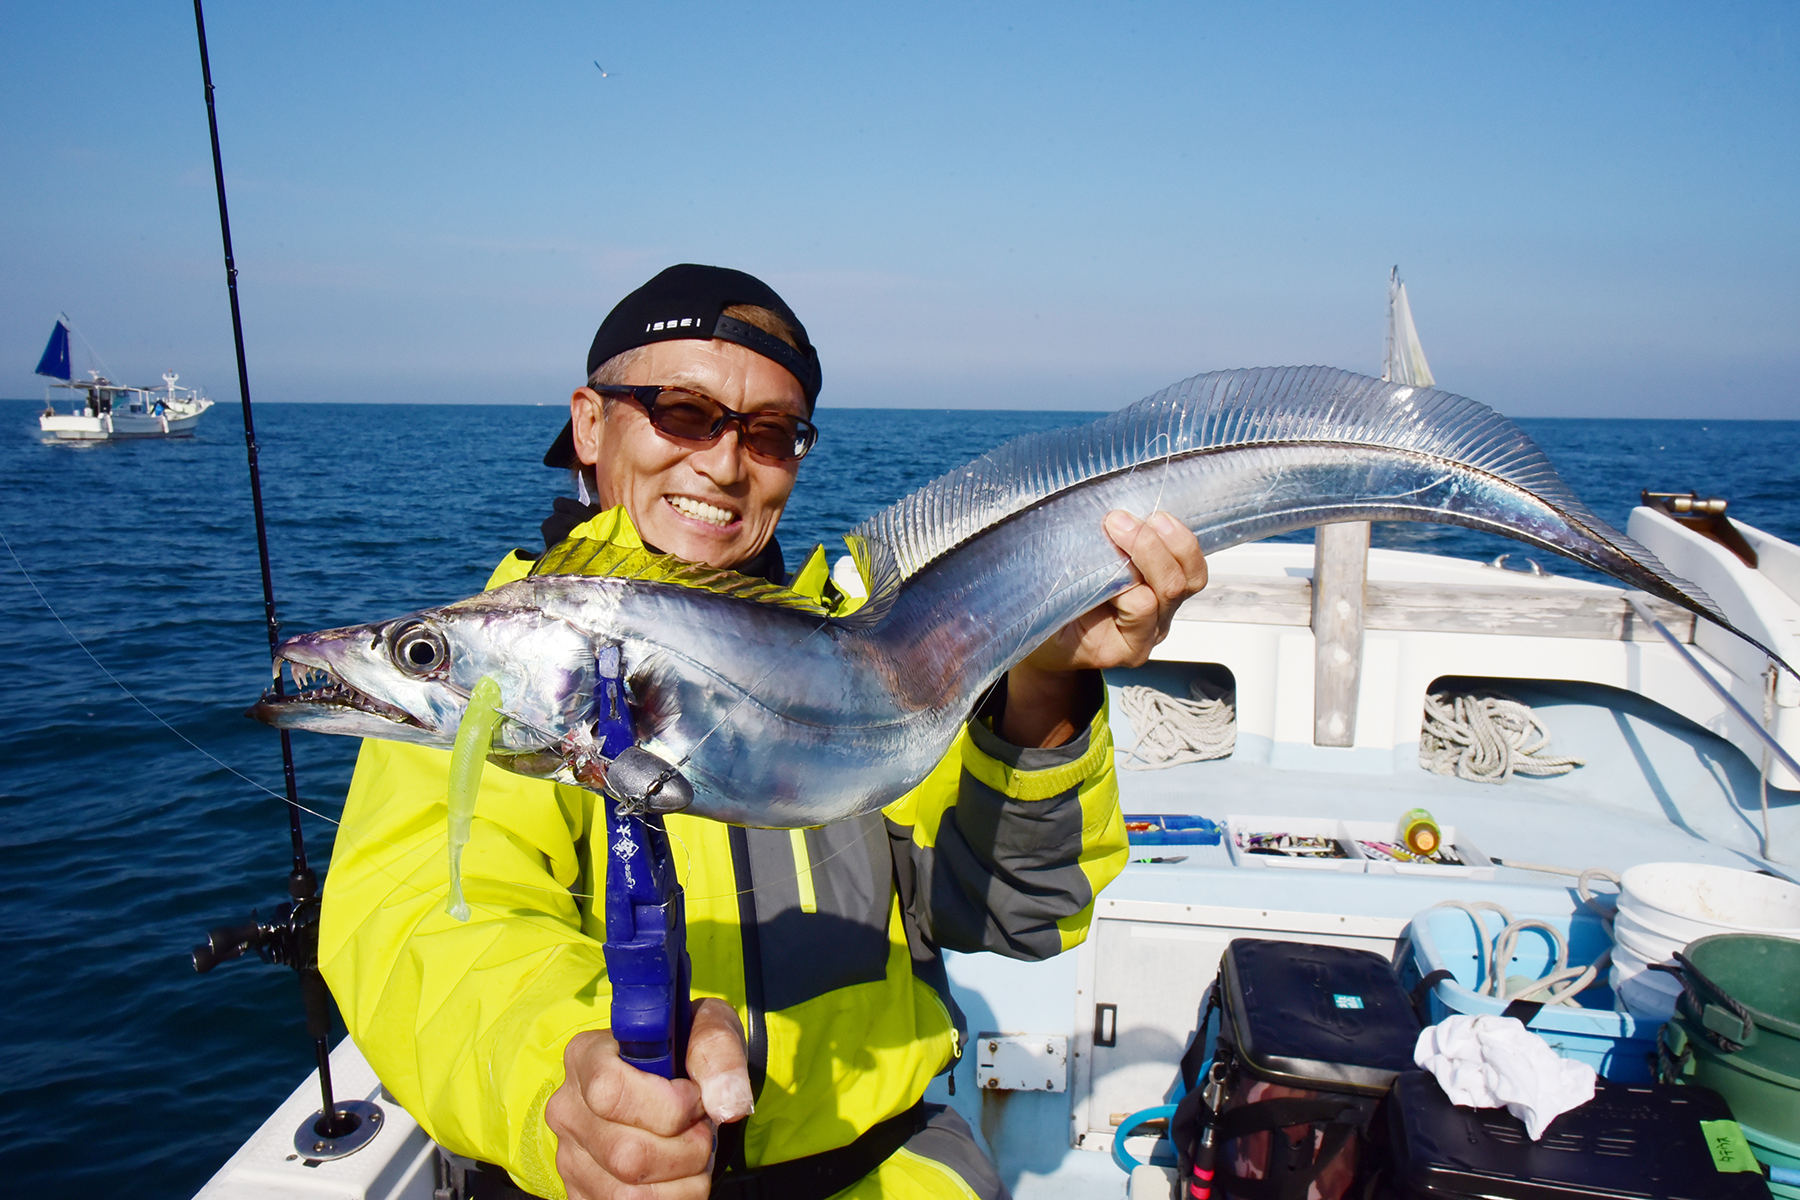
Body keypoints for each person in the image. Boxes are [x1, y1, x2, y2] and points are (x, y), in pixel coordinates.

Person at [318, 264, 1208, 1200]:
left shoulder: (871, 657)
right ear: (590, 423)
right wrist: (566, 1083)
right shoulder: (498, 667)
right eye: (682, 413)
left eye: (772, 435)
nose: (726, 463)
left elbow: (1017, 913)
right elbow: (422, 929)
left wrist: (1045, 672)